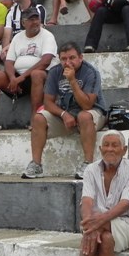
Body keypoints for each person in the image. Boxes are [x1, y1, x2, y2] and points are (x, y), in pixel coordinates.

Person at [21, 42, 107, 180]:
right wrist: (63, 114)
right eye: (63, 59)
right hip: (67, 113)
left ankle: (88, 165)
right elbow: (47, 102)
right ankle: (36, 165)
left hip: (93, 112)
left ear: (81, 57)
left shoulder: (91, 72)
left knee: (84, 116)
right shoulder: (55, 72)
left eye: (72, 58)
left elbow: (87, 105)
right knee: (38, 118)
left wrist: (72, 81)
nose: (68, 62)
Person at [72, 130, 129, 256]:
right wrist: (89, 223)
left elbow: (125, 204)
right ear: (100, 149)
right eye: (106, 145)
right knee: (105, 239)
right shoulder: (91, 170)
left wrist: (94, 224)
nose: (110, 149)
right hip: (95, 224)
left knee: (100, 229)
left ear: (124, 150)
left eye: (115, 145)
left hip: (127, 225)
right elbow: (86, 200)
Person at [0, 7, 58, 132]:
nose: (35, 22)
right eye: (31, 20)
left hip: (43, 78)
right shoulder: (17, 37)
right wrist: (12, 78)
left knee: (37, 74)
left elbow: (45, 61)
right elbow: (9, 62)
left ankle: (35, 119)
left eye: (36, 18)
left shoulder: (47, 36)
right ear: (23, 23)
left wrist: (21, 77)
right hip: (18, 78)